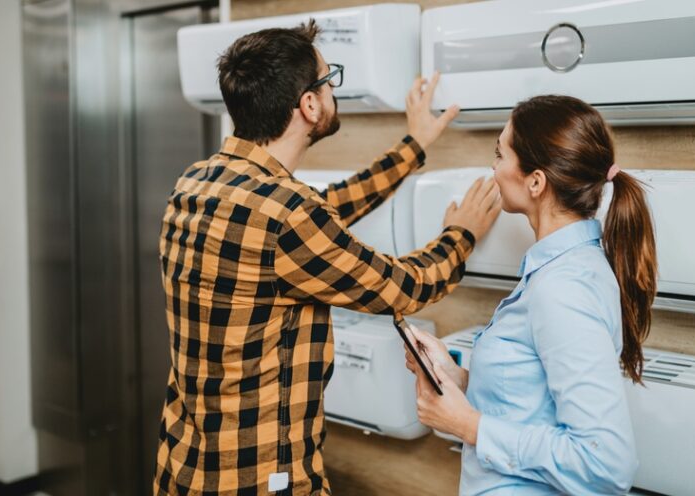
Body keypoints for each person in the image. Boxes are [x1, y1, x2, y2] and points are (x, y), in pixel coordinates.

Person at [154, 20, 501, 495]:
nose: (332, 87)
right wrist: (461, 235)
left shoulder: (197, 182)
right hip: (259, 478)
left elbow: (322, 209)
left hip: (184, 464)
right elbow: (404, 287)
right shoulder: (288, 214)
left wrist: (412, 147)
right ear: (310, 103)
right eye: (328, 77)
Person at [405, 95, 658, 495]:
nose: (493, 167)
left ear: (536, 182)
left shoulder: (564, 288)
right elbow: (531, 398)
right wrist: (459, 380)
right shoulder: (558, 271)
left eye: (499, 154)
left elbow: (605, 462)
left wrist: (468, 425)